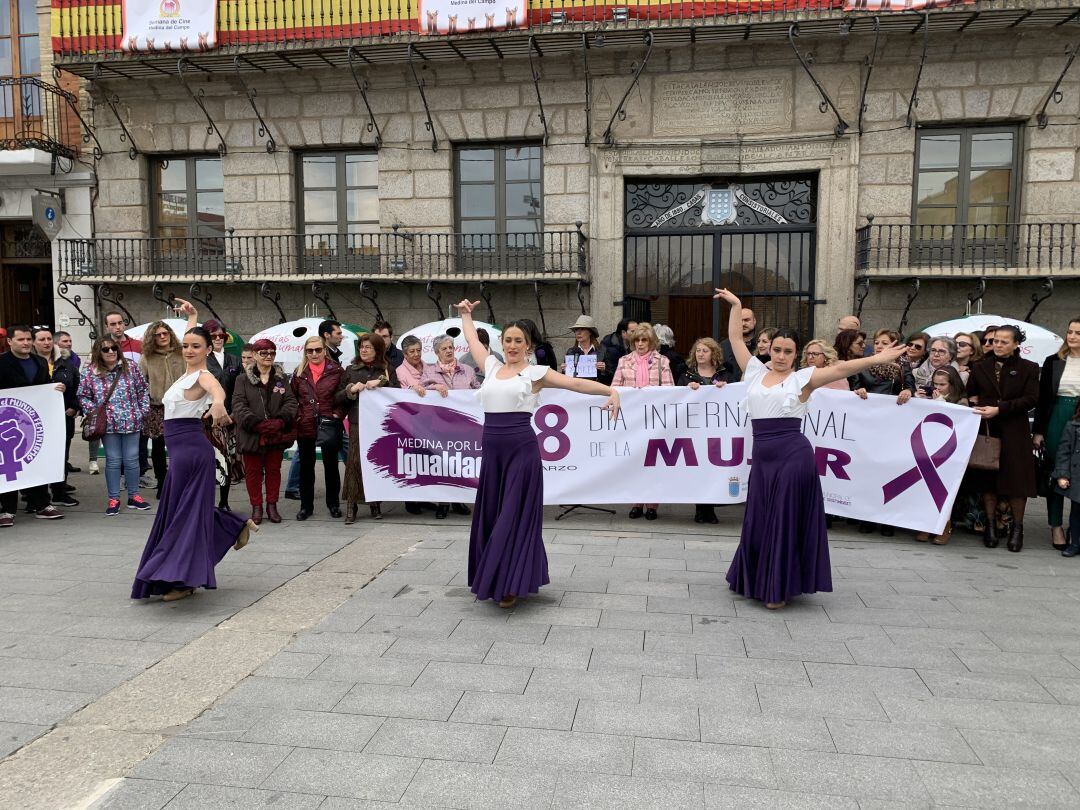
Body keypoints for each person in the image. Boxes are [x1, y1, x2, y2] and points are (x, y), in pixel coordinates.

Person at [715, 289, 907, 609]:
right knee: (761, 517)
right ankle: (756, 577)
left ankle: (777, 588)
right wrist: (735, 306)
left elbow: (842, 370)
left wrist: (876, 358)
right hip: (763, 458)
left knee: (782, 519)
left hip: (793, 456)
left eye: (787, 351)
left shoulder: (804, 378)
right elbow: (735, 338)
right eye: (776, 349)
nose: (780, 356)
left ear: (796, 354)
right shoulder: (754, 372)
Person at [455, 299, 620, 608]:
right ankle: (499, 575)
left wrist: (610, 390)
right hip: (492, 454)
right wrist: (466, 315)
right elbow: (472, 340)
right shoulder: (491, 366)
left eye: (519, 340)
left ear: (528, 345)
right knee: (493, 513)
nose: (513, 345)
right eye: (508, 340)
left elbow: (574, 383)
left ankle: (509, 583)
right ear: (501, 343)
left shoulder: (536, 373)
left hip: (521, 453)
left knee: (511, 517)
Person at [131, 326, 256, 602]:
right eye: (186, 345)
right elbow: (193, 335)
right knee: (181, 511)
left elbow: (216, 389)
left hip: (192, 453)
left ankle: (184, 580)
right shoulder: (186, 375)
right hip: (180, 452)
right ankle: (234, 525)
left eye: (196, 346)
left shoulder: (204, 375)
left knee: (184, 515)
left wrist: (220, 404)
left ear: (209, 350)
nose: (189, 350)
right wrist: (192, 316)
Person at [967, 324, 1040, 552]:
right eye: (995, 340)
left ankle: (1017, 529)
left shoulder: (1029, 367)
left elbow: (1031, 399)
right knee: (988, 479)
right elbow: (972, 393)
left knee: (1017, 482)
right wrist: (976, 405)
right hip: (988, 429)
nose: (998, 345)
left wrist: (1000, 408)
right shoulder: (980, 367)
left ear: (1016, 344)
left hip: (1015, 430)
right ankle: (989, 525)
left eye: (1004, 341)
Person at [77, 336, 151, 515]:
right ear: (98, 353)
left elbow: (143, 390)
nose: (110, 351)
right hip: (108, 425)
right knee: (113, 460)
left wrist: (142, 412)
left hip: (132, 421)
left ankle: (134, 496)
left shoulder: (131, 368)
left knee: (132, 460)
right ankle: (114, 498)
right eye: (105, 349)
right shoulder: (90, 372)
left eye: (113, 348)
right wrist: (94, 411)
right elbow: (82, 395)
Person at [0, 325, 67, 526]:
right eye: (21, 340)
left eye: (28, 339)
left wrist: (55, 389)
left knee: (37, 459)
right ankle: (7, 510)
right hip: (7, 423)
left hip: (32, 423)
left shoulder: (39, 361)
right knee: (8, 464)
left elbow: (43, 388)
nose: (26, 343)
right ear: (10, 341)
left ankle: (42, 505)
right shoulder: (2, 363)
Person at [231, 339, 297, 525]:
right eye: (264, 353)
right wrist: (256, 424)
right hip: (252, 434)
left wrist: (279, 421)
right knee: (253, 472)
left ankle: (272, 505)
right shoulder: (242, 380)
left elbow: (291, 402)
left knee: (274, 471)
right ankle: (257, 507)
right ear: (254, 355)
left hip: (275, 434)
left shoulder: (281, 378)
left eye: (272, 353)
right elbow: (238, 405)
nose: (268, 356)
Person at [613, 323, 674, 520]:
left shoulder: (662, 361)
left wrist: (648, 393)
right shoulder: (623, 361)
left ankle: (652, 505)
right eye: (637, 340)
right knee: (635, 461)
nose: (640, 344)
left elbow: (669, 389)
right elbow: (614, 388)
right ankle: (637, 503)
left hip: (654, 419)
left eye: (644, 340)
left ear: (651, 341)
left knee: (653, 462)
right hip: (631, 419)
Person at [338, 333, 398, 524]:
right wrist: (351, 390)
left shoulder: (388, 370)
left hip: (379, 424)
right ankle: (351, 505)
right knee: (354, 463)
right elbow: (336, 398)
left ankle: (375, 503)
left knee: (375, 462)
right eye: (362, 347)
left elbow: (398, 393)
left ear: (378, 350)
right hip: (357, 422)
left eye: (368, 347)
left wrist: (382, 383)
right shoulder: (350, 370)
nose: (363, 350)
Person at [139, 304, 199, 496]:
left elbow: (192, 335)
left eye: (165, 333)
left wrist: (192, 315)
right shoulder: (146, 357)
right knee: (157, 447)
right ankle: (162, 483)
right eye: (157, 334)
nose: (162, 337)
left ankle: (182, 481)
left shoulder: (182, 351)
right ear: (152, 337)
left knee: (181, 447)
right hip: (157, 408)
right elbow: (141, 383)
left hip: (181, 407)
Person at [419, 334, 480, 519]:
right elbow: (417, 390)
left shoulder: (467, 370)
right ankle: (443, 503)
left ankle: (458, 501)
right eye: (444, 348)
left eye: (450, 347)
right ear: (437, 352)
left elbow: (478, 389)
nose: (448, 351)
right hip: (440, 426)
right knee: (443, 464)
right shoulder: (429, 372)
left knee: (460, 463)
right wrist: (434, 387)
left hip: (463, 426)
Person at [1034, 317, 1080, 551]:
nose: (1072, 337)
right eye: (1070, 332)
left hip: (1079, 415)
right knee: (1056, 470)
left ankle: (1077, 527)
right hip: (1057, 416)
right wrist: (1039, 431)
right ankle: (1055, 526)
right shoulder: (1054, 361)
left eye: (1078, 333)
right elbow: (1043, 400)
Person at [914, 366, 969, 546]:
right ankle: (926, 523)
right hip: (928, 448)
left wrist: (939, 401)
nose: (938, 387)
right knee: (925, 488)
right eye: (935, 384)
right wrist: (919, 400)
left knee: (944, 490)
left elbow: (959, 420)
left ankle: (945, 525)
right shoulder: (930, 397)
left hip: (950, 451)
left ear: (952, 385)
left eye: (943, 384)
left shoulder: (961, 400)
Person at [292, 335, 345, 521]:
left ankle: (333, 504)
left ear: (324, 350)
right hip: (305, 423)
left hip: (329, 422)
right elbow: (293, 398)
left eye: (317, 350)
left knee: (331, 465)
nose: (314, 354)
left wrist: (338, 414)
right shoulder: (299, 372)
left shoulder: (337, 371)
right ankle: (306, 506)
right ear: (305, 352)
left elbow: (343, 396)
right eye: (310, 350)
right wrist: (298, 415)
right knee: (306, 467)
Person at [678, 337, 728, 524]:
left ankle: (711, 509)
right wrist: (687, 388)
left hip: (717, 429)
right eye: (698, 350)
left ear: (713, 353)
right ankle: (700, 509)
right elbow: (677, 398)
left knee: (713, 469)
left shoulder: (724, 373)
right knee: (699, 468)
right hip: (695, 429)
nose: (700, 354)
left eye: (704, 351)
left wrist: (725, 388)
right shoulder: (687, 375)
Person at [31, 327, 78, 508]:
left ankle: (59, 491)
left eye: (49, 339)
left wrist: (74, 407)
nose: (46, 343)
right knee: (37, 456)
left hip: (62, 417)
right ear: (34, 342)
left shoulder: (66, 362)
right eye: (41, 339)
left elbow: (76, 386)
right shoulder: (30, 363)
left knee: (61, 455)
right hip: (36, 419)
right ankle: (34, 496)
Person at [52, 330, 82, 481]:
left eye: (70, 341)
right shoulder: (50, 362)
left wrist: (76, 406)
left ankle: (62, 480)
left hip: (67, 412)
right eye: (65, 341)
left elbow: (78, 385)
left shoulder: (72, 361)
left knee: (65, 444)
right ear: (55, 343)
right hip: (51, 413)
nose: (69, 344)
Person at [853, 329, 916, 401]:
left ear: (894, 346)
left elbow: (910, 386)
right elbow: (854, 387)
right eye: (876, 343)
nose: (879, 346)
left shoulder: (903, 364)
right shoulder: (864, 363)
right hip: (867, 406)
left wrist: (908, 391)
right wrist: (859, 390)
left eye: (885, 343)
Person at [1052, 399, 1080, 557]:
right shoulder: (1073, 426)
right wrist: (1062, 475)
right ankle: (1074, 542)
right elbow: (1063, 452)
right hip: (1078, 478)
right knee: (1076, 512)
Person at [561, 315, 612, 385]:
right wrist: (564, 370)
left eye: (582, 329)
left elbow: (611, 378)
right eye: (576, 330)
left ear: (590, 332)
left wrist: (604, 370)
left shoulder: (602, 351)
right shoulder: (571, 351)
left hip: (596, 391)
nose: (578, 333)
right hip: (576, 391)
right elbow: (566, 379)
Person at [720, 307, 756, 382]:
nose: (743, 324)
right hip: (730, 390)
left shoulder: (761, 345)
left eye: (747, 320)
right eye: (740, 320)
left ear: (754, 321)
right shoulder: (724, 346)